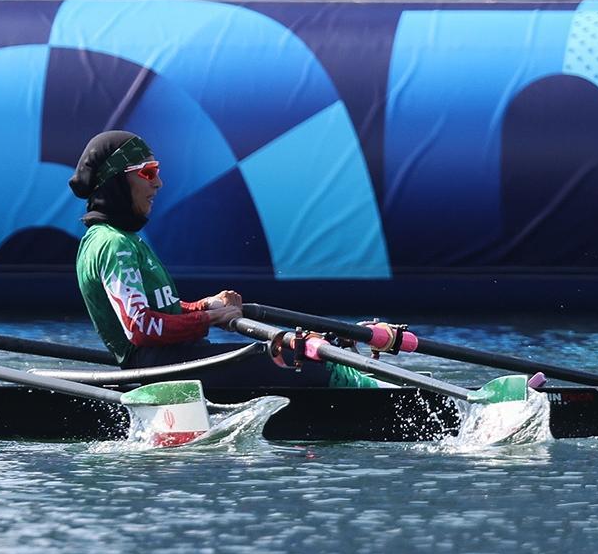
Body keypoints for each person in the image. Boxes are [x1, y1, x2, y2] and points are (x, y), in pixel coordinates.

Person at [69, 130, 377, 388]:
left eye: (157, 172)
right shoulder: (114, 245)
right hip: (164, 369)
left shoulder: (118, 240)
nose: (158, 183)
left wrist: (203, 306)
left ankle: (367, 387)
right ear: (116, 182)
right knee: (302, 360)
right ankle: (383, 398)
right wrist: (213, 319)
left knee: (296, 355)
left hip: (176, 362)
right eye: (148, 173)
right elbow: (141, 328)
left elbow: (158, 310)